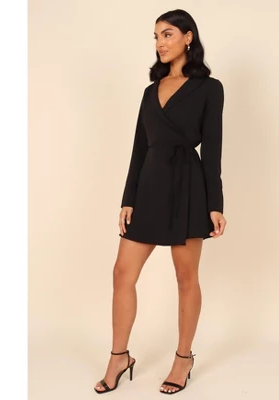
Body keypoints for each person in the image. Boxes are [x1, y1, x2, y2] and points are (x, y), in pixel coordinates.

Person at [94, 8, 227, 395]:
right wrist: (128, 198)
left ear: (188, 37)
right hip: (150, 185)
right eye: (156, 37)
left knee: (186, 278)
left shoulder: (210, 88)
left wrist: (215, 204)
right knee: (122, 272)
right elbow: (140, 148)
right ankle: (119, 356)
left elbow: (213, 148)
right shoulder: (150, 92)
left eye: (167, 34)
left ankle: (183, 358)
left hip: (188, 186)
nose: (160, 43)